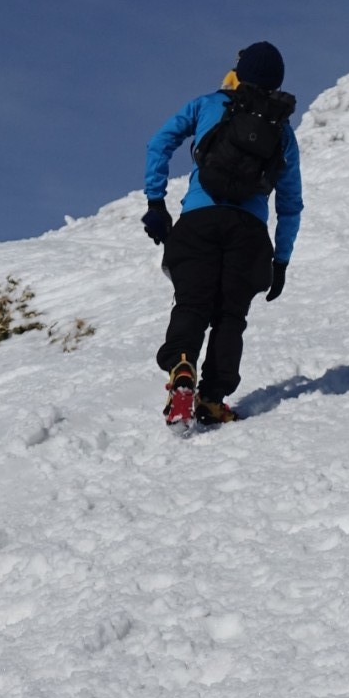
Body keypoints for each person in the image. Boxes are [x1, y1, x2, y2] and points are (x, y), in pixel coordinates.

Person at [142, 41, 303, 426]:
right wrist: (279, 261)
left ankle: (182, 367)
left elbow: (159, 143)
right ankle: (212, 399)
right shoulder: (281, 131)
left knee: (192, 303)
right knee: (231, 316)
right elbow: (290, 204)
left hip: (199, 221)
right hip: (248, 234)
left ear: (239, 72)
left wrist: (155, 202)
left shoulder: (207, 105)